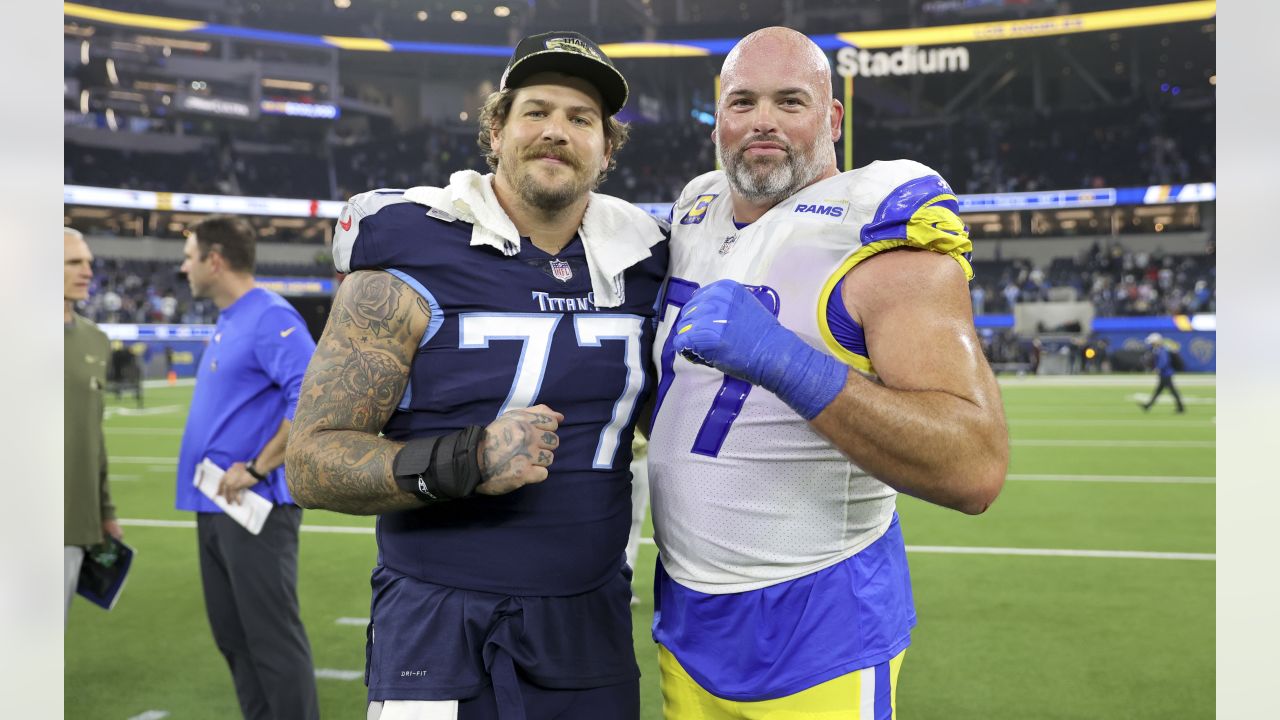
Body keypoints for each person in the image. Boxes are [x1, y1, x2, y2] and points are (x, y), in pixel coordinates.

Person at [284, 31, 667, 719]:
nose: (557, 132)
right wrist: (465, 461)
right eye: (537, 111)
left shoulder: (645, 262)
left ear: (607, 149)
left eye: (581, 119)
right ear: (495, 130)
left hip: (591, 623)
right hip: (436, 614)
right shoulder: (411, 251)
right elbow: (310, 463)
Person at [647, 27, 1009, 717]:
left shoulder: (875, 232)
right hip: (684, 614)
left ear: (833, 118)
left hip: (820, 618)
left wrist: (790, 364)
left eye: (791, 101)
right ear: (717, 116)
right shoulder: (694, 212)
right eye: (742, 101)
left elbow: (974, 468)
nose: (762, 121)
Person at [174, 215, 320, 720]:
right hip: (213, 502)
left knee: (272, 642)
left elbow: (310, 399)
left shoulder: (269, 315)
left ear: (215, 260)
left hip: (253, 504)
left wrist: (258, 468)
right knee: (234, 639)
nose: (183, 267)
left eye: (189, 256)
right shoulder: (230, 316)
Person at [64, 227, 122, 623]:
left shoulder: (96, 340)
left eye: (88, 262)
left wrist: (105, 511)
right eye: (73, 262)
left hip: (73, 522)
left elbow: (93, 437)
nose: (87, 271)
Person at [1141, 332, 1185, 412]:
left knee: (1172, 391)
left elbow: (1163, 361)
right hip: (1164, 373)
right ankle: (1148, 405)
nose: (1151, 344)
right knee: (1159, 391)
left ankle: (1181, 408)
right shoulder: (1160, 349)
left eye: (1152, 342)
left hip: (1166, 373)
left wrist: (1157, 368)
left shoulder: (1161, 350)